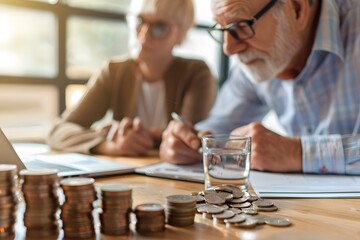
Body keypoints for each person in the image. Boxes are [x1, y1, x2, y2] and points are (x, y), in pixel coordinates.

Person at [160, 0, 360, 175]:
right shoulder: (259, 60)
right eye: (223, 29)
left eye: (241, 26)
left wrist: (295, 153)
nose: (228, 49)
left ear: (297, 9)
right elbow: (220, 128)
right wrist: (186, 143)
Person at [47, 0, 217, 157]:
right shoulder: (113, 71)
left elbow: (190, 140)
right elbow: (59, 130)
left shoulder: (196, 74)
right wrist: (108, 145)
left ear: (180, 35)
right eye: (140, 21)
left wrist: (121, 136)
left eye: (159, 28)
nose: (143, 34)